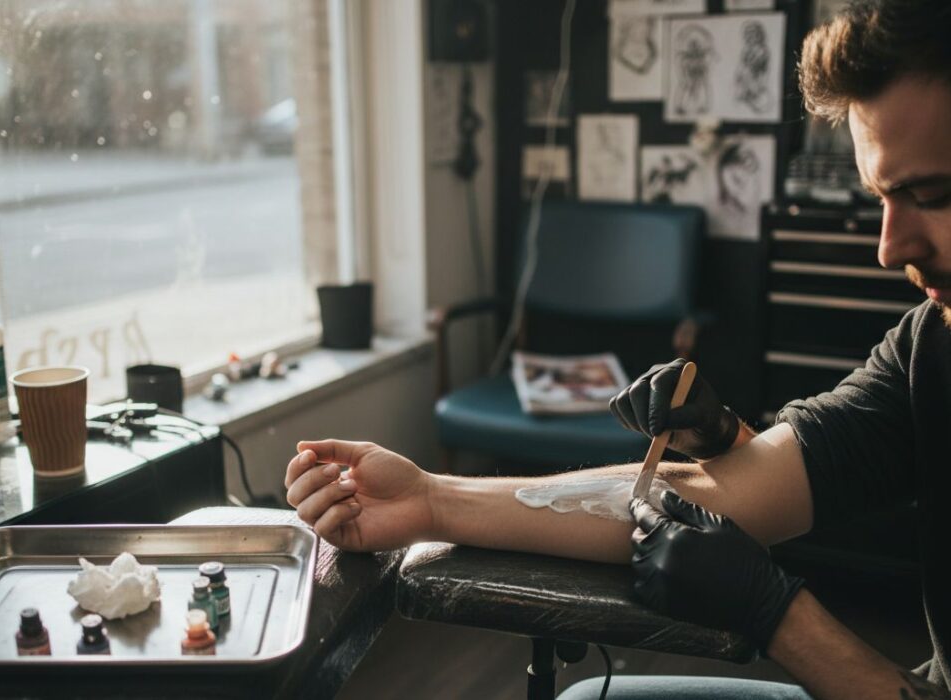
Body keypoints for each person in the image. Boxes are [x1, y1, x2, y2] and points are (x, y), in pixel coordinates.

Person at [284, 1, 951, 697]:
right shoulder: (929, 348)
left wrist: (776, 615)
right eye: (879, 197)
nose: (888, 248)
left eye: (930, 194)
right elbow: (730, 492)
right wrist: (429, 498)